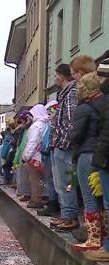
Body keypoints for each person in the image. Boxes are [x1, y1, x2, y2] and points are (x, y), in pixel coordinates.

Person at [68, 72, 105, 250]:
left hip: (86, 153)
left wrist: (69, 135)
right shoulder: (104, 102)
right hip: (101, 154)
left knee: (89, 197)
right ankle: (104, 239)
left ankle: (93, 239)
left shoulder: (85, 107)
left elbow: (75, 134)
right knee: (101, 197)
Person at [50, 64, 81, 231]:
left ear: (61, 77)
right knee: (59, 182)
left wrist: (61, 143)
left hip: (65, 146)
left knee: (66, 183)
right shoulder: (65, 94)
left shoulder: (71, 94)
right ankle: (66, 214)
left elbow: (71, 122)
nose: (55, 79)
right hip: (61, 145)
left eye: (56, 75)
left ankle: (70, 217)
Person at [85, 59, 109, 261]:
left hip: (104, 157)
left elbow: (105, 134)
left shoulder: (102, 102)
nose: (98, 80)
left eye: (101, 75)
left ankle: (107, 247)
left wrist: (98, 161)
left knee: (106, 203)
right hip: (102, 155)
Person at [22, 104, 50, 209]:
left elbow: (32, 142)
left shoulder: (36, 126)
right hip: (44, 156)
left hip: (35, 157)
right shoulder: (46, 124)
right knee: (44, 179)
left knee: (34, 179)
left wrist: (25, 156)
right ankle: (44, 197)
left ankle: (36, 199)